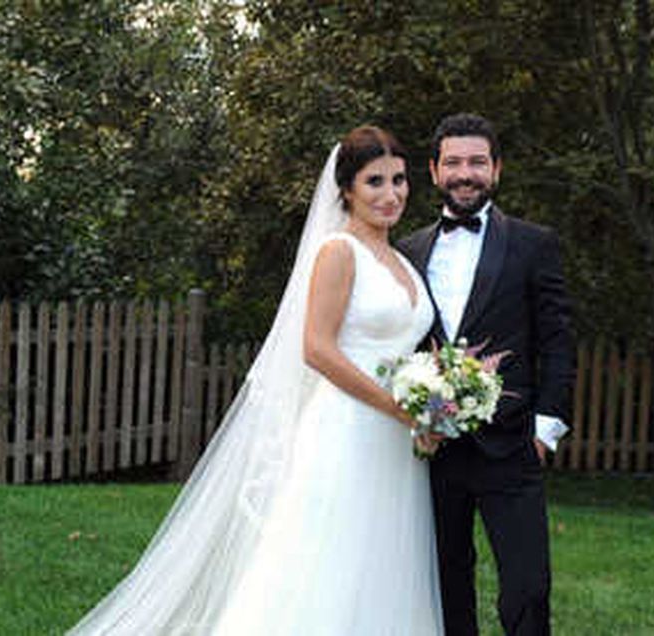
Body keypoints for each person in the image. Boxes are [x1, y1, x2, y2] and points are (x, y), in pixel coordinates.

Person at [68, 126, 443, 635]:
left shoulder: (401, 261)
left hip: (398, 438)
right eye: (374, 181)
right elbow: (317, 348)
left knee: (383, 558)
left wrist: (429, 405)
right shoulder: (339, 251)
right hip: (348, 429)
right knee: (329, 561)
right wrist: (394, 406)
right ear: (347, 190)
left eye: (399, 180)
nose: (391, 194)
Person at [397, 113, 576, 636]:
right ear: (434, 171)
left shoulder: (534, 244)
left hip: (513, 444)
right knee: (447, 583)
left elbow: (558, 340)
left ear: (496, 169)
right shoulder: (407, 251)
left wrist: (545, 429)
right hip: (435, 448)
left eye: (477, 162)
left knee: (527, 587)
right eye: (453, 162)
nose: (465, 173)